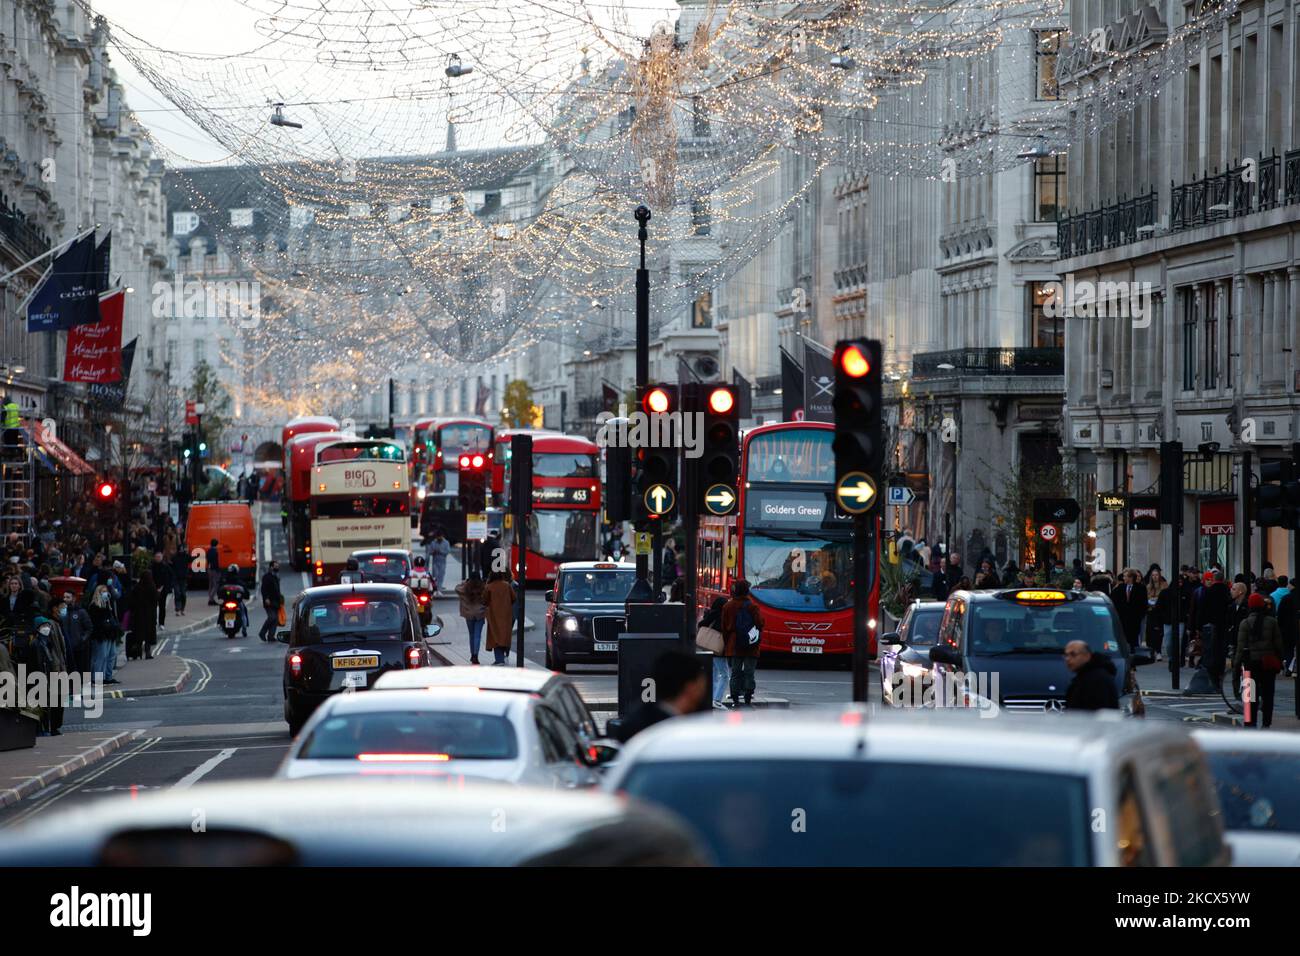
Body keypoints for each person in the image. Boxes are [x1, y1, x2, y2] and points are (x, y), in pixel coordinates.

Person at [611, 651, 707, 743]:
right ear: (690, 687)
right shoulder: (694, 731)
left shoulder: (636, 721)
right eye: (701, 684)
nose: (703, 690)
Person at [1234, 593, 1284, 729]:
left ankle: (1250, 722)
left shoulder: (1245, 623)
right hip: (1268, 663)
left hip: (1250, 663)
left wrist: (1236, 664)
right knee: (1268, 695)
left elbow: (1240, 646)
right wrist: (1280, 660)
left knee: (1250, 696)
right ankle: (1266, 723)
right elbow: (1278, 644)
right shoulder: (1272, 622)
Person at [722, 579, 763, 706]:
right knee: (749, 671)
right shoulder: (752, 606)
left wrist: (727, 644)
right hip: (750, 644)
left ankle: (735, 698)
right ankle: (748, 697)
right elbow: (760, 623)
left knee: (735, 672)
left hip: (734, 644)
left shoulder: (727, 606)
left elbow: (724, 628)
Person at [1063, 640, 1119, 710]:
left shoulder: (1097, 680)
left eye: (1073, 654)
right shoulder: (1084, 677)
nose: (1068, 659)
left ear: (1087, 656)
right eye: (1066, 655)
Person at [697, 596, 729, 704]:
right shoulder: (723, 615)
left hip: (709, 646)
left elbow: (701, 624)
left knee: (713, 674)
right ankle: (717, 699)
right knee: (725, 675)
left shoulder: (712, 613)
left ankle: (711, 698)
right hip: (718, 647)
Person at [87, 584, 121, 684]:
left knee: (112, 655)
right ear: (98, 593)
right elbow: (96, 622)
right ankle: (97, 678)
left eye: (106, 591)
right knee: (101, 657)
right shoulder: (94, 606)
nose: (105, 593)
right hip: (101, 635)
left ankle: (108, 677)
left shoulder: (108, 604)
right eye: (103, 591)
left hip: (110, 634)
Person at [1110, 568, 1148, 652]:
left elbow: (1143, 603)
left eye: (1125, 576)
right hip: (1123, 619)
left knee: (1134, 640)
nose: (1123, 578)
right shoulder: (1120, 588)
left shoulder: (1140, 588)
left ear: (1131, 578)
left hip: (1134, 619)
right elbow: (1114, 600)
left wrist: (1140, 616)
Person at [482, 571, 515, 665]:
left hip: (493, 615)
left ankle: (499, 659)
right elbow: (514, 598)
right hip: (506, 614)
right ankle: (502, 656)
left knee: (495, 636)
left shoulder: (489, 586)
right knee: (504, 636)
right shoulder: (507, 585)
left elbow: (484, 600)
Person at [56, 591, 93, 674]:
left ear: (74, 598)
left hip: (79, 647)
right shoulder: (61, 612)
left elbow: (89, 628)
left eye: (68, 597)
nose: (65, 599)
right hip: (66, 646)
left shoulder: (81, 612)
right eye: (64, 597)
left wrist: (82, 639)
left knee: (80, 669)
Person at [455, 572, 486, 665]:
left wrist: (465, 582)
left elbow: (456, 588)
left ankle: (472, 654)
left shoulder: (464, 588)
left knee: (471, 635)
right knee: (477, 635)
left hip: (468, 614)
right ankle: (476, 655)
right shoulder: (483, 588)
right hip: (480, 614)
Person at [127, 572, 158, 660]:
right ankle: (148, 652)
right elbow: (155, 600)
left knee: (139, 635)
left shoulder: (137, 587)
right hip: (150, 615)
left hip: (138, 615)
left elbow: (131, 601)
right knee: (148, 635)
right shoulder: (152, 587)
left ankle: (137, 652)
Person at [219, 564, 249, 637]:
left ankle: (219, 622)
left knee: (221, 609)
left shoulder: (224, 580)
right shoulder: (239, 581)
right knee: (243, 612)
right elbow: (246, 592)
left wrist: (220, 596)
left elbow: (219, 591)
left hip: (227, 601)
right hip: (237, 602)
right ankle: (244, 628)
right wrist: (246, 596)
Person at [259, 560, 283, 642]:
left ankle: (271, 636)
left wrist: (280, 599)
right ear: (271, 567)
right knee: (272, 617)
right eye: (275, 566)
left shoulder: (276, 576)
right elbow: (263, 589)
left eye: (278, 566)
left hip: (276, 601)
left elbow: (277, 590)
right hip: (269, 601)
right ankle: (262, 633)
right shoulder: (266, 577)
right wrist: (266, 598)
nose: (277, 567)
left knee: (275, 619)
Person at [151, 551, 174, 631]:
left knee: (162, 607)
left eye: (159, 557)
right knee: (153, 607)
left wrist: (165, 587)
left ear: (162, 557)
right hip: (153, 589)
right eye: (156, 557)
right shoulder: (152, 567)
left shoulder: (165, 566)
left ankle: (161, 623)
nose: (158, 558)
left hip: (163, 590)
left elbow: (170, 576)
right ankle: (153, 622)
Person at [426, 529, 450, 594]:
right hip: (435, 562)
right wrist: (433, 551)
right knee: (435, 576)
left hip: (442, 562)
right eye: (438, 536)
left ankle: (439, 589)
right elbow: (430, 552)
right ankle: (435, 589)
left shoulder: (446, 543)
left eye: (440, 536)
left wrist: (441, 551)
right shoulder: (433, 542)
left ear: (442, 536)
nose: (439, 538)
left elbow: (447, 551)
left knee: (441, 576)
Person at [170, 546, 189, 617]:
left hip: (183, 578)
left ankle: (182, 609)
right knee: (177, 593)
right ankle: (178, 609)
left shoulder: (186, 556)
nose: (181, 551)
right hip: (176, 578)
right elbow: (171, 565)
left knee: (183, 594)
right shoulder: (175, 557)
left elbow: (192, 558)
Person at [206, 538, 221, 605]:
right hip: (214, 569)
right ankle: (211, 598)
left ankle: (210, 597)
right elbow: (216, 562)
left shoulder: (209, 551)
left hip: (209, 568)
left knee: (211, 584)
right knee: (216, 584)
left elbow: (207, 559)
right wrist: (218, 570)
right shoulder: (215, 551)